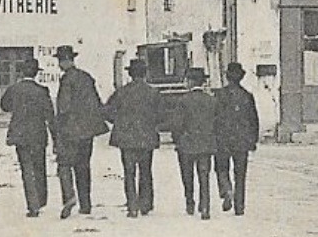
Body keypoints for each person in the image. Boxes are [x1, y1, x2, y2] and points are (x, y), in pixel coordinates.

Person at [52, 45, 107, 219]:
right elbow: (96, 103)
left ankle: (69, 196)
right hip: (87, 131)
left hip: (70, 129)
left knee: (64, 163)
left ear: (63, 61)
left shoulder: (67, 80)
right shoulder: (86, 77)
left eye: (60, 61)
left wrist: (58, 127)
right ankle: (86, 204)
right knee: (83, 166)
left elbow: (64, 107)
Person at [105, 58, 163, 217]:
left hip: (126, 138)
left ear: (130, 74)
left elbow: (107, 111)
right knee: (146, 171)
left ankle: (132, 205)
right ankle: (145, 204)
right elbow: (161, 115)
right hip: (146, 136)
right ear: (145, 73)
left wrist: (119, 122)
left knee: (129, 172)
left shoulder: (122, 92)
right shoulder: (153, 92)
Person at [1, 57, 55, 217]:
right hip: (38, 135)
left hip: (20, 135)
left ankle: (33, 205)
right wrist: (56, 139)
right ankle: (40, 199)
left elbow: (4, 106)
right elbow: (50, 116)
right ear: (36, 73)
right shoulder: (42, 91)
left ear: (21, 72)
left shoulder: (14, 89)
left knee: (27, 169)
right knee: (39, 168)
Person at [213, 62, 259, 216]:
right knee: (240, 174)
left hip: (222, 139)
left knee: (221, 168)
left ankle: (226, 189)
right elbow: (254, 121)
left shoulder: (219, 95)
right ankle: (239, 206)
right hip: (242, 140)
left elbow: (213, 118)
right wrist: (253, 141)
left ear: (227, 76)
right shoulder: (247, 96)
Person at [172, 66, 218, 218]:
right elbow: (217, 122)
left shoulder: (182, 101)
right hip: (206, 143)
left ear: (190, 82)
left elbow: (177, 124)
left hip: (186, 143)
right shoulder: (212, 101)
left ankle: (190, 203)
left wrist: (177, 140)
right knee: (204, 176)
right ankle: (205, 207)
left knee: (187, 175)